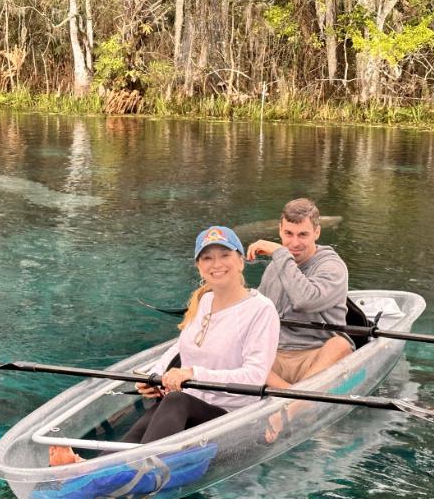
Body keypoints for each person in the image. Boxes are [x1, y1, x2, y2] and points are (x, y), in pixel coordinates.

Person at [49, 226, 280, 465]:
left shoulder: (261, 310)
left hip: (232, 418)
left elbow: (254, 377)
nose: (216, 263)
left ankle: (132, 470)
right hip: (191, 405)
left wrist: (193, 373)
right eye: (207, 257)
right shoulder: (205, 300)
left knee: (175, 401)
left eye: (225, 255)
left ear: (241, 261)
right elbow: (180, 347)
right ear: (199, 267)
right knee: (158, 411)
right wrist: (154, 376)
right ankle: (93, 469)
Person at [246, 198, 353, 441]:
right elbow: (260, 314)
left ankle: (287, 411)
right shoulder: (275, 267)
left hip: (314, 356)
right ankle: (299, 397)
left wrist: (279, 253)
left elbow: (305, 300)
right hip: (276, 358)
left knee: (341, 345)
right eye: (288, 234)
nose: (294, 243)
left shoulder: (332, 267)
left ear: (317, 232)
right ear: (280, 231)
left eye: (303, 234)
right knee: (237, 345)